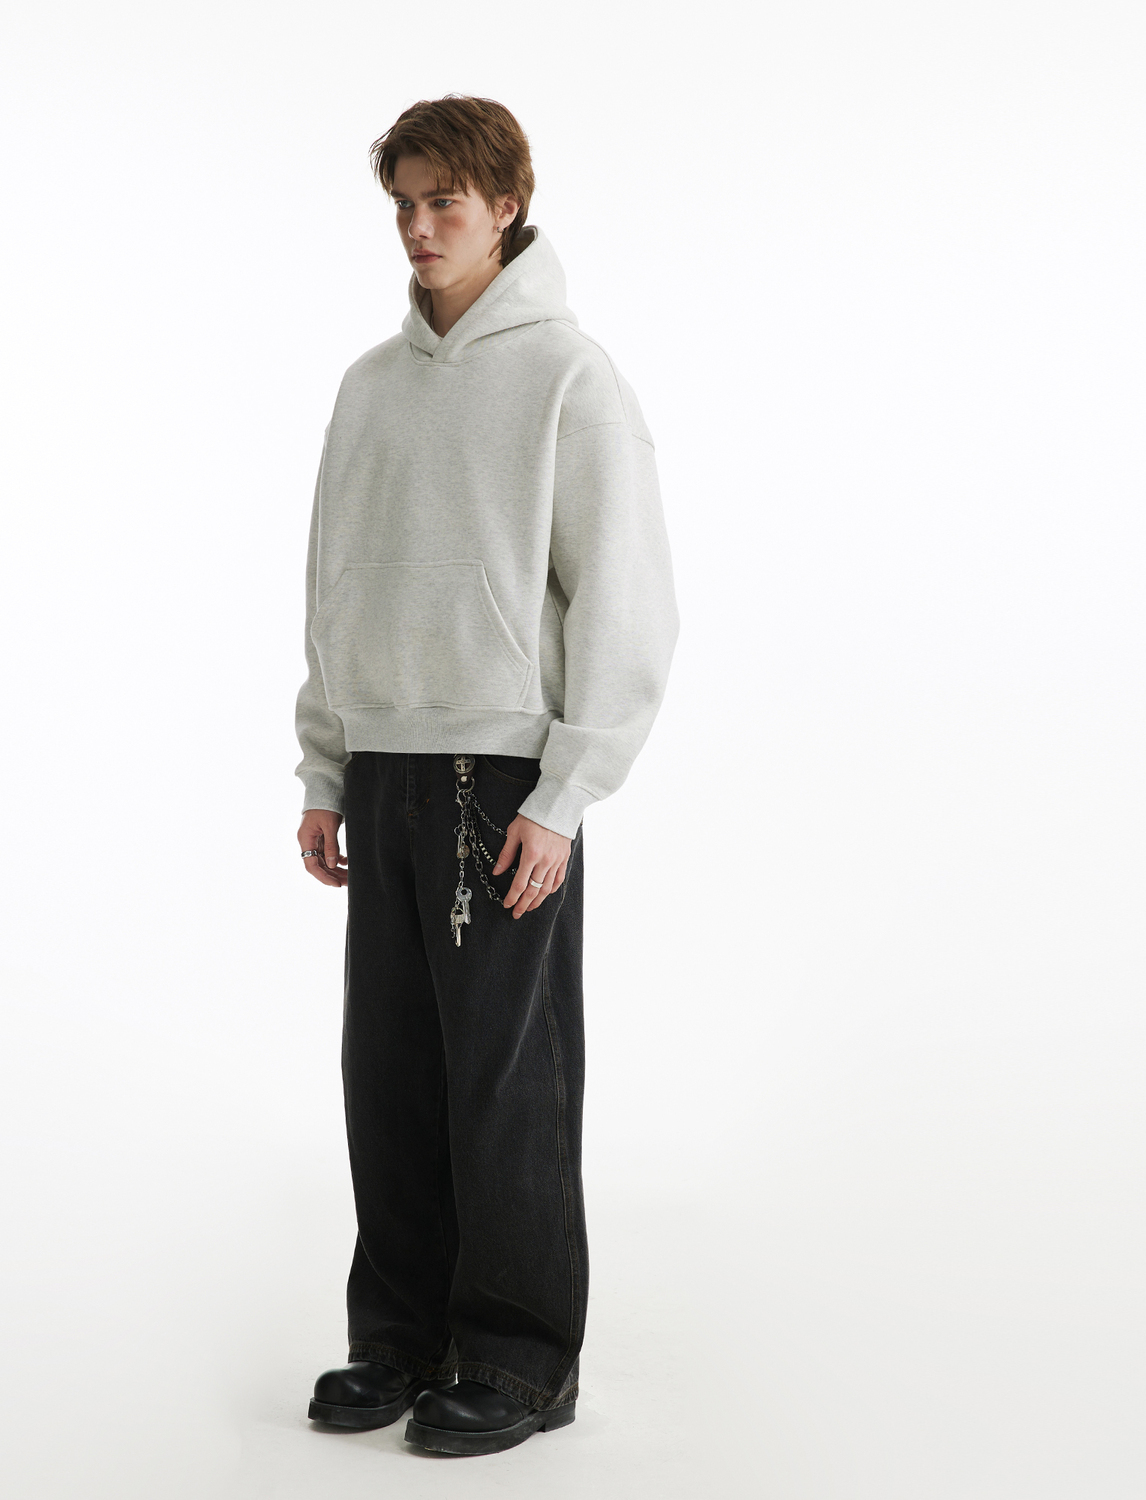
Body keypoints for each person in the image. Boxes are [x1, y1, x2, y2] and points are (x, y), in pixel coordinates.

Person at [292, 95, 678, 1457]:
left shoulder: (570, 378)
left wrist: (565, 797)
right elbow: (333, 584)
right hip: (384, 766)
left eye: (444, 200)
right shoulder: (370, 386)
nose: (418, 225)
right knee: (390, 1071)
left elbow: (624, 599)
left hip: (501, 777)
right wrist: (325, 763)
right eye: (403, 202)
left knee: (506, 1080)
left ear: (507, 204)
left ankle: (518, 1361)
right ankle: (399, 1340)